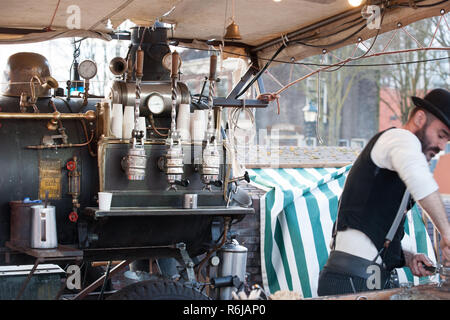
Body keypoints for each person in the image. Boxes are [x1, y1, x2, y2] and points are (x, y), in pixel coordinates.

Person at [317, 88, 450, 296]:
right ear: (420, 118)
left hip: (362, 280)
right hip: (352, 281)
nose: (442, 146)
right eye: (441, 135)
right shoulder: (400, 138)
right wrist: (446, 234)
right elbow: (421, 179)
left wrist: (407, 258)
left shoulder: (400, 162)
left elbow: (372, 232)